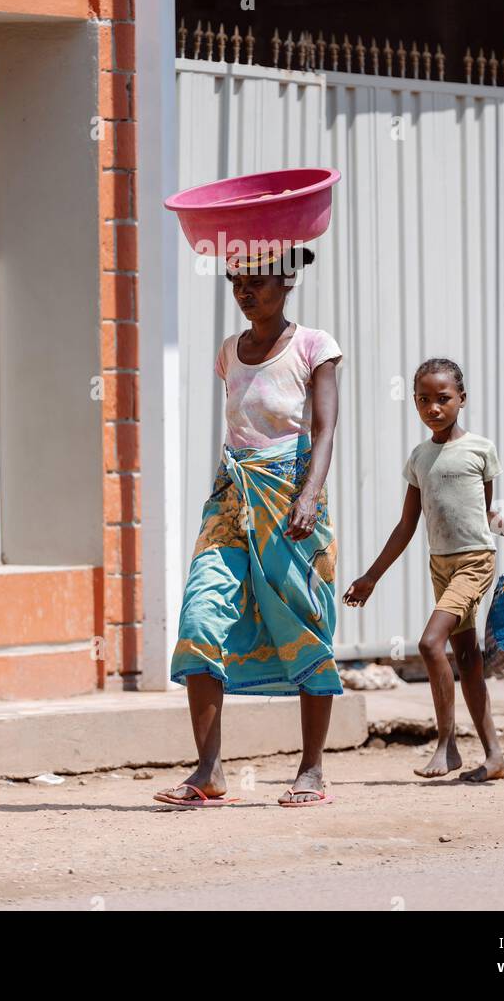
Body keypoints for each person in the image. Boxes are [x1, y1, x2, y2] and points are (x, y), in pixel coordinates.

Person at [156, 245, 343, 809]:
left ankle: (311, 769)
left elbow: (325, 427)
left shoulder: (316, 347)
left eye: (256, 281)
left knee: (302, 617)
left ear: (286, 283)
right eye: (236, 281)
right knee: (200, 612)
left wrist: (309, 493)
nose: (244, 291)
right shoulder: (227, 352)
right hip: (232, 496)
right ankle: (208, 771)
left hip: (291, 497)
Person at [344, 358, 504, 784]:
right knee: (467, 659)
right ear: (414, 402)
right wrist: (371, 576)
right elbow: (406, 525)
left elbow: (483, 513)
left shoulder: (479, 450)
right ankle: (494, 757)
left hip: (474, 561)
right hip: (440, 565)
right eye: (423, 399)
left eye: (443, 399)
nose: (433, 407)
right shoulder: (419, 458)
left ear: (461, 400)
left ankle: (446, 743)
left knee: (431, 643)